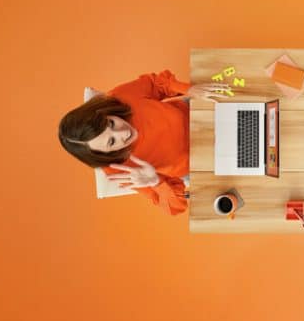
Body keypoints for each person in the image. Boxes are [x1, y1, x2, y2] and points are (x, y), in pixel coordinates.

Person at [58, 70, 226, 215]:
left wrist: (189, 89)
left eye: (111, 123)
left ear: (105, 112)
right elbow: (175, 208)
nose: (123, 132)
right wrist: (156, 182)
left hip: (199, 112)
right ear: (106, 155)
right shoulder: (118, 170)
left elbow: (157, 83)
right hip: (207, 162)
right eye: (111, 141)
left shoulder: (119, 97)